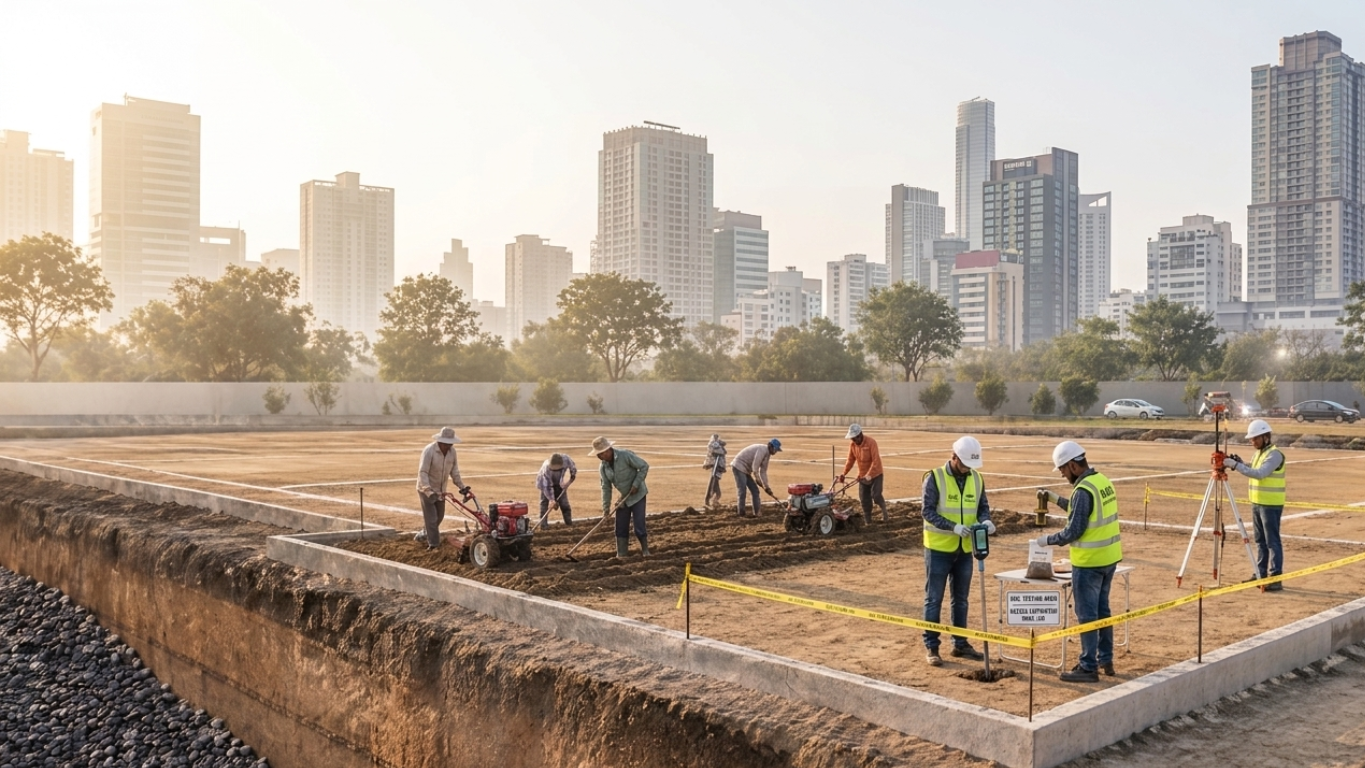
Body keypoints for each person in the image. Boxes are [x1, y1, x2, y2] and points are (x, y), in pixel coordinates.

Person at [1036, 440, 1122, 683]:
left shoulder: (1083, 490)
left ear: (1073, 465)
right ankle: (1105, 659)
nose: (1063, 475)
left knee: (1087, 615)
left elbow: (1074, 529)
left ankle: (1087, 666)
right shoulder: (1101, 482)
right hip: (1109, 559)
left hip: (1089, 563)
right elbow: (1082, 510)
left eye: (1063, 470)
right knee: (1103, 611)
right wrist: (1056, 499)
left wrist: (1047, 540)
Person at [920, 436, 993, 666]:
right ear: (954, 457)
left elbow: (982, 507)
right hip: (939, 549)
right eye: (964, 465)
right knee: (934, 600)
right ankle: (932, 647)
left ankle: (960, 644)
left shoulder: (977, 478)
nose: (968, 470)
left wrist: (987, 520)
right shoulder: (935, 477)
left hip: (965, 549)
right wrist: (953, 527)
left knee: (960, 600)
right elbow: (927, 511)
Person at [1224, 419, 1285, 591]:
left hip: (1270, 504)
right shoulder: (1259, 453)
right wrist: (1242, 464)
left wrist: (1236, 466)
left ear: (1266, 437)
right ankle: (1260, 573)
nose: (1252, 442)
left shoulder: (1275, 454)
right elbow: (1254, 467)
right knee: (1260, 541)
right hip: (1257, 502)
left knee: (1272, 541)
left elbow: (1260, 473)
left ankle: (1276, 577)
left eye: (1255, 439)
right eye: (1251, 439)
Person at [591, 436, 650, 558]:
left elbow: (644, 466)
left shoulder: (625, 455)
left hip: (637, 494)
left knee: (639, 525)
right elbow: (606, 488)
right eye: (598, 455)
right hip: (623, 497)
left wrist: (636, 484)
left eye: (601, 454)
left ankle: (645, 551)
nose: (600, 457)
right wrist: (606, 509)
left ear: (608, 450)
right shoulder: (603, 467)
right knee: (620, 526)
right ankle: (622, 554)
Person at [415, 427, 470, 550]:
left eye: (450, 444)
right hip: (426, 489)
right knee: (432, 518)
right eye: (446, 444)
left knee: (439, 517)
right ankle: (434, 545)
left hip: (440, 490)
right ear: (440, 441)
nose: (448, 446)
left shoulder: (452, 452)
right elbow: (423, 472)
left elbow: (454, 471)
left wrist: (462, 487)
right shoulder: (429, 451)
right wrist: (428, 490)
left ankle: (424, 534)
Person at [838, 424, 886, 523]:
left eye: (854, 439)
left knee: (876, 496)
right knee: (864, 499)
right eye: (852, 439)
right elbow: (850, 460)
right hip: (862, 476)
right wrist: (844, 473)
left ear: (860, 435)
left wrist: (869, 475)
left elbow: (876, 461)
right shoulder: (852, 445)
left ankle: (885, 512)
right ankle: (868, 521)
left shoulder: (871, 443)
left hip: (876, 474)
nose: (853, 441)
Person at [731, 439, 782, 517]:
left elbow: (763, 471)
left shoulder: (767, 454)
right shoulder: (762, 449)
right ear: (771, 446)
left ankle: (757, 513)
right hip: (739, 466)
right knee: (742, 490)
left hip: (746, 470)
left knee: (755, 490)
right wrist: (757, 479)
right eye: (776, 449)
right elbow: (755, 467)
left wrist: (766, 486)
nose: (775, 452)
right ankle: (741, 513)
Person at [535, 453, 577, 529]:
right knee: (544, 504)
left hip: (559, 483)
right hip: (545, 484)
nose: (555, 471)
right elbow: (547, 486)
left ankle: (569, 523)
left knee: (564, 504)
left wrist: (570, 480)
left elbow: (573, 469)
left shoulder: (566, 460)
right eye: (553, 470)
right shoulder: (546, 468)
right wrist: (551, 500)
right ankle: (543, 526)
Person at [703, 434, 728, 508]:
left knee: (714, 484)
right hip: (716, 466)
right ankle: (711, 500)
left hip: (718, 467)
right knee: (714, 485)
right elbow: (721, 451)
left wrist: (720, 443)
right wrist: (719, 444)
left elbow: (724, 446)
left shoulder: (717, 444)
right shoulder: (713, 445)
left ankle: (711, 500)